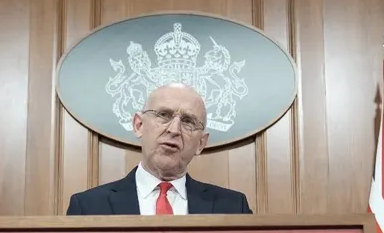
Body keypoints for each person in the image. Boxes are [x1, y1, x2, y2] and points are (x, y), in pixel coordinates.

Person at [65, 83, 252, 215]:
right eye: (163, 115)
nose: (174, 130)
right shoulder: (88, 207)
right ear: (139, 125)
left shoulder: (234, 208)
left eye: (188, 121)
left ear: (201, 143)